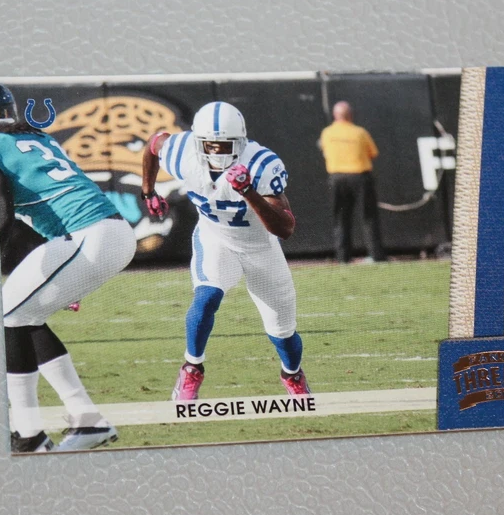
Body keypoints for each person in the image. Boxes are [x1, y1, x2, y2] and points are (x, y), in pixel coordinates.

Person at [0, 82, 137, 452]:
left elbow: (2, 215)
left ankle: (29, 433)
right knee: (25, 316)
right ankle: (85, 421)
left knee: (8, 315)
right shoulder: (34, 136)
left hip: (87, 236)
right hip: (106, 233)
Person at [140, 101, 310, 400]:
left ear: (240, 141)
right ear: (198, 141)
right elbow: (154, 145)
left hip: (260, 248)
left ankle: (292, 374)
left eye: (225, 145)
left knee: (282, 331)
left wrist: (248, 192)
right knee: (206, 297)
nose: (217, 152)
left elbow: (285, 228)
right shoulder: (182, 152)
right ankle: (192, 368)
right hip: (215, 238)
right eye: (210, 145)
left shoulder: (261, 164)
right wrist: (148, 190)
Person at [318, 101, 387, 264]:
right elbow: (373, 153)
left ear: (335, 115)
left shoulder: (327, 133)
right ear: (351, 115)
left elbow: (324, 151)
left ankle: (343, 257)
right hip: (359, 176)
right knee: (368, 216)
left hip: (337, 178)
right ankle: (376, 255)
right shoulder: (360, 133)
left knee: (340, 217)